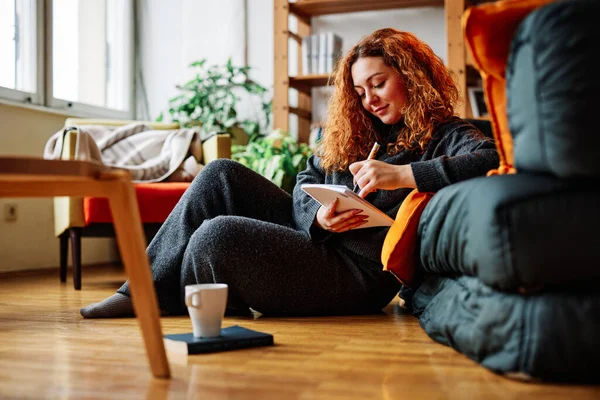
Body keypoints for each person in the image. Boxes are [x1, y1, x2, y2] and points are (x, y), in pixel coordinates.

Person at [80, 28, 499, 318]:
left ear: (410, 76)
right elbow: (305, 181)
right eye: (359, 91)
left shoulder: (447, 133)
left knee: (215, 237)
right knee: (220, 173)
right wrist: (317, 219)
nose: (369, 100)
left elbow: (488, 160)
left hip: (363, 270)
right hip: (318, 238)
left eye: (379, 83)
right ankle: (139, 290)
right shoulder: (360, 132)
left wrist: (404, 175)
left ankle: (184, 295)